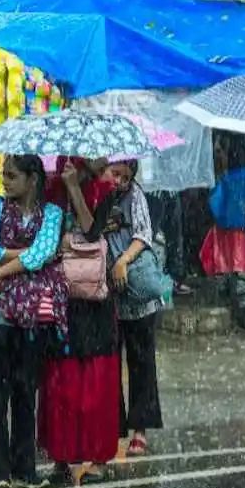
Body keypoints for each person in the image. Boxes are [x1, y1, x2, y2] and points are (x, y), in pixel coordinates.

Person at [0, 155, 65, 488]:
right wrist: (22, 256)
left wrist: (1, 268)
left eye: (12, 176)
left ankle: (24, 466)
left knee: (26, 389)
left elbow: (42, 252)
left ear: (32, 179)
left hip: (31, 312)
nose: (5, 181)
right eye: (4, 175)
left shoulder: (52, 213)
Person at [41, 157, 122, 486]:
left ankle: (99, 457)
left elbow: (91, 230)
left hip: (95, 301)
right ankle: (61, 457)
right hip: (61, 298)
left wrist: (75, 188)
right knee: (60, 380)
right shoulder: (50, 190)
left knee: (96, 380)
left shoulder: (105, 191)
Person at [104, 161, 164, 456]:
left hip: (136, 288)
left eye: (126, 177)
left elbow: (144, 235)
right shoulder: (97, 195)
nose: (119, 182)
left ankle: (140, 429)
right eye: (115, 174)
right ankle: (114, 426)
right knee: (110, 360)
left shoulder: (136, 196)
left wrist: (123, 261)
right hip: (107, 292)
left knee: (141, 360)